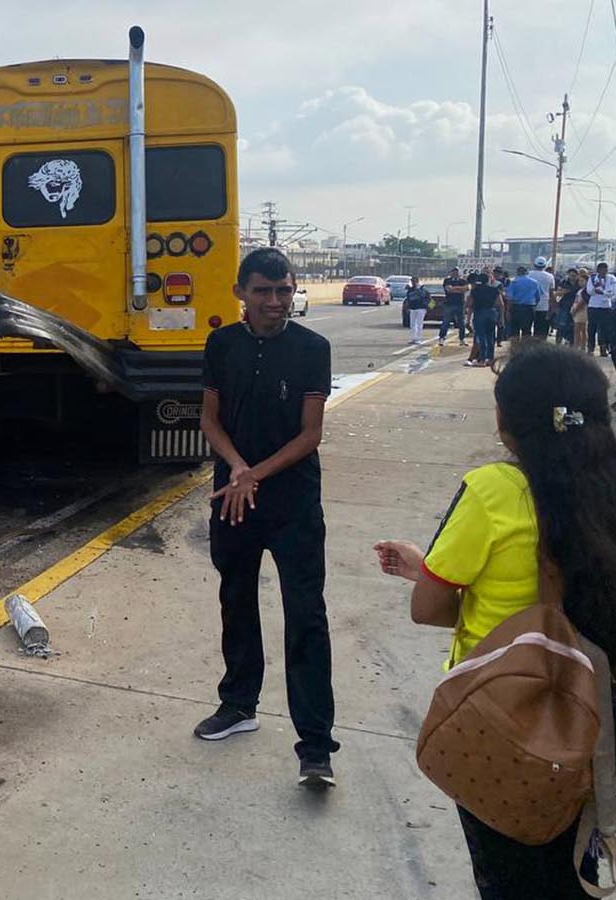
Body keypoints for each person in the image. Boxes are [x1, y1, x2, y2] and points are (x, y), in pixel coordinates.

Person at [374, 342, 616, 898]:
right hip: (600, 716)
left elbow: (430, 609)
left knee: (512, 876)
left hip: (514, 722)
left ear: (508, 421)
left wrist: (428, 575)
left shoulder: (492, 490)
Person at [193, 247, 339, 788]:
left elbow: (310, 435)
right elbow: (209, 419)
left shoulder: (312, 349)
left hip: (292, 504)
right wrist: (236, 468)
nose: (275, 302)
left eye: (283, 291)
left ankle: (317, 747)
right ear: (240, 294)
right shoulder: (221, 344)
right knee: (236, 598)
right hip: (232, 497)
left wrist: (254, 474)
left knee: (305, 617)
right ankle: (238, 704)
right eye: (263, 291)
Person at [465, 270, 502, 367]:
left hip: (479, 313)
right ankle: (490, 359)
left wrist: (467, 318)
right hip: (491, 312)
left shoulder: (475, 290)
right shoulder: (494, 290)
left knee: (481, 337)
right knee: (491, 337)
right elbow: (500, 304)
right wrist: (501, 318)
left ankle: (482, 359)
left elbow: (470, 304)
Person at [585, 261, 615, 357]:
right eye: (601, 269)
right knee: (591, 328)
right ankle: (590, 348)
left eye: (605, 269)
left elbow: (612, 292)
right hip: (593, 306)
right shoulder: (593, 278)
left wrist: (602, 292)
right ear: (598, 270)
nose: (603, 271)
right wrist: (598, 291)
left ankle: (603, 348)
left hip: (606, 306)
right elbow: (589, 291)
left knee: (604, 328)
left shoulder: (611, 278)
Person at [504, 265, 539, 339]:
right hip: (529, 308)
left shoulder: (514, 282)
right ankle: (525, 349)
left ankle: (515, 349)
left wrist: (507, 311)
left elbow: (509, 298)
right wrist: (534, 306)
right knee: (527, 331)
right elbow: (537, 297)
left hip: (516, 308)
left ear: (517, 272)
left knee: (514, 331)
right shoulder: (534, 282)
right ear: (526, 272)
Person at [440, 266, 469, 346]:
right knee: (446, 322)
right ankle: (442, 338)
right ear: (451, 272)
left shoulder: (463, 281)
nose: (455, 273)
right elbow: (449, 289)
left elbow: (466, 289)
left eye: (457, 271)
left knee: (461, 323)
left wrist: (454, 288)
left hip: (460, 304)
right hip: (449, 304)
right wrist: (459, 289)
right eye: (454, 271)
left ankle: (462, 339)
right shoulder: (447, 280)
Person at [530, 256, 557, 339]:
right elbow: (551, 293)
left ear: (534, 265)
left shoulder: (529, 274)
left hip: (530, 304)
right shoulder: (550, 276)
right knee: (542, 329)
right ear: (545, 266)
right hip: (544, 306)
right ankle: (541, 347)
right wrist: (553, 306)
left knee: (528, 328)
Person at [405, 275, 431, 345]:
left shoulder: (423, 290)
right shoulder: (410, 290)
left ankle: (418, 339)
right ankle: (413, 338)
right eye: (412, 281)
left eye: (415, 281)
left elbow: (429, 299)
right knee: (412, 324)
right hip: (413, 308)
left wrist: (429, 307)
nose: (413, 283)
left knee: (419, 324)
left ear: (417, 282)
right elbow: (408, 299)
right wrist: (408, 308)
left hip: (421, 308)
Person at [571, 267, 591, 352]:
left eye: (582, 281)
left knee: (580, 330)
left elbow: (582, 302)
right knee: (580, 330)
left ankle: (580, 346)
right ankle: (581, 346)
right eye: (579, 281)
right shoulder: (580, 290)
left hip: (581, 311)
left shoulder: (585, 291)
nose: (580, 282)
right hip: (578, 310)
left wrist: (575, 310)